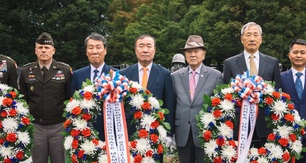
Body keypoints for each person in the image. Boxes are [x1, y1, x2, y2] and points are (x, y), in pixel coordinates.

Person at [223, 21, 281, 148]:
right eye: (248, 35)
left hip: (264, 124)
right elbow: (225, 94)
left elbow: (278, 93)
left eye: (256, 35)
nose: (252, 38)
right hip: (239, 125)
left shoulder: (272, 62)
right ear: (241, 39)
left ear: (261, 39)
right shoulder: (230, 63)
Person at [120, 34, 175, 162]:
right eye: (141, 46)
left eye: (149, 46)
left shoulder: (165, 74)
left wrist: (168, 134)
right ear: (135, 50)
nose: (145, 50)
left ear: (154, 50)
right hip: (130, 132)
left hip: (155, 133)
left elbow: (169, 105)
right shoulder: (124, 74)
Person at [19, 32, 72, 163]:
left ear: (53, 50)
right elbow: (23, 100)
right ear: (35, 50)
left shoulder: (64, 70)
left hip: (58, 126)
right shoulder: (26, 71)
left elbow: (69, 97)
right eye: (40, 47)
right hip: (36, 126)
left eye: (47, 48)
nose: (43, 50)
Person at [172, 35, 222, 163]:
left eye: (196, 51)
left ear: (203, 54)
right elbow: (172, 104)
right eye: (189, 51)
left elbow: (219, 105)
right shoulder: (175, 76)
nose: (192, 54)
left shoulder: (216, 76)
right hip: (182, 132)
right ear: (185, 55)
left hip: (205, 133)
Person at [70, 32, 116, 141]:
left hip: (110, 132)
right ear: (86, 51)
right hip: (84, 131)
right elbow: (72, 102)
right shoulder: (77, 75)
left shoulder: (116, 75)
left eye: (98, 47)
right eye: (91, 48)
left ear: (105, 50)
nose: (94, 51)